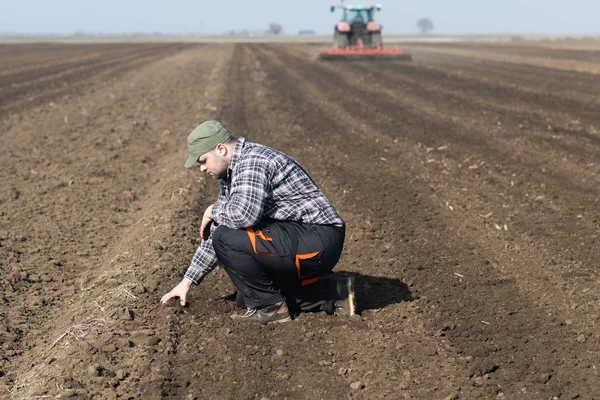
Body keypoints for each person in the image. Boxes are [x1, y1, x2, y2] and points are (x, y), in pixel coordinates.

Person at [160, 121, 352, 323]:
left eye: (203, 161)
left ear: (221, 149)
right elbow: (219, 227)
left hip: (319, 239)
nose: (202, 168)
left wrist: (212, 210)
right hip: (304, 238)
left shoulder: (252, 162)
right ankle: (334, 294)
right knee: (249, 297)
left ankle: (271, 309)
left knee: (227, 239)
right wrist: (187, 281)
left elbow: (243, 216)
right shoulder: (233, 174)